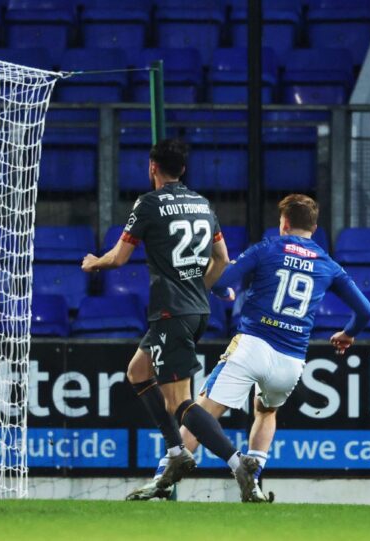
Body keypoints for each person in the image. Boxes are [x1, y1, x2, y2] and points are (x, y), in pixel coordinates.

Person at [128, 194, 370, 503]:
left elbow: (219, 279)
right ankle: (253, 484)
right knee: (266, 410)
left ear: (283, 223)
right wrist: (347, 334)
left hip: (253, 346)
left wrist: (225, 290)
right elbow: (365, 311)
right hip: (291, 361)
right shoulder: (329, 265)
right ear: (314, 226)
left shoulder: (268, 248)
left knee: (200, 414)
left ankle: (160, 486)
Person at [81, 138, 257, 497]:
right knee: (138, 372)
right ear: (184, 170)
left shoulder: (148, 204)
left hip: (170, 311)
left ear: (152, 167)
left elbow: (118, 258)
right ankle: (176, 452)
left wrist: (93, 262)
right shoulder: (202, 204)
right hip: (195, 309)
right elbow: (222, 258)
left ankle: (238, 464)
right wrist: (199, 288)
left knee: (180, 402)